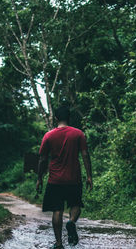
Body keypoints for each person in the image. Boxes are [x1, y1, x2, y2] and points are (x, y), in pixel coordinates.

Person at [36, 106, 93, 249]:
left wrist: (39, 178)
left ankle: (59, 243)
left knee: (57, 210)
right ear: (69, 118)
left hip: (55, 179)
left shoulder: (48, 136)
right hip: (74, 178)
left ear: (56, 118)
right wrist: (89, 176)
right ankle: (71, 222)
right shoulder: (78, 134)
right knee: (76, 205)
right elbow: (85, 155)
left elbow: (42, 159)